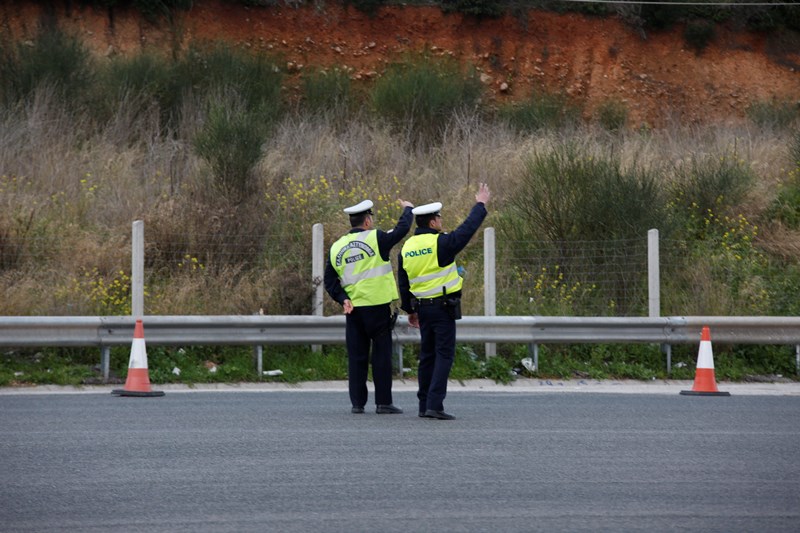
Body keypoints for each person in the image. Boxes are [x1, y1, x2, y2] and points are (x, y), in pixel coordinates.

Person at [398, 183, 491, 420]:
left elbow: (404, 282)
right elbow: (466, 230)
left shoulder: (406, 248)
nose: (441, 221)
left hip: (422, 309)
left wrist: (409, 309)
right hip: (442, 309)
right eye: (439, 218)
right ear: (432, 222)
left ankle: (423, 405)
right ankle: (434, 405)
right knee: (444, 355)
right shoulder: (440, 243)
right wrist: (480, 204)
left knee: (427, 357)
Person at [325, 198, 414, 414]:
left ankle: (357, 403)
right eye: (371, 218)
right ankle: (383, 403)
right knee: (381, 356)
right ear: (366, 221)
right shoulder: (376, 238)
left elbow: (329, 282)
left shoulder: (336, 247)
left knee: (357, 357)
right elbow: (402, 230)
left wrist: (342, 298)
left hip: (353, 310)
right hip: (377, 307)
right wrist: (408, 209)